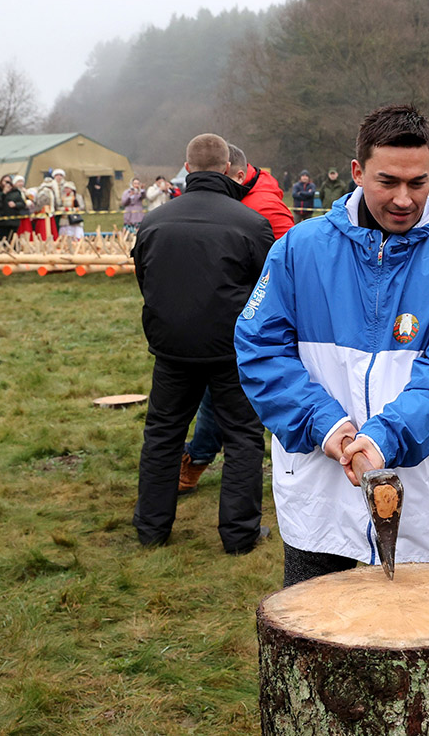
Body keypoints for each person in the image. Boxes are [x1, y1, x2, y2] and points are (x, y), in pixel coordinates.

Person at [235, 104, 429, 587]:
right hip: (319, 484)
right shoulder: (297, 251)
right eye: (386, 181)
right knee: (313, 636)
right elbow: (260, 349)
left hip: (424, 491)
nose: (403, 199)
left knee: (428, 642)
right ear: (357, 172)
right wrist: (327, 426)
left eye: (417, 183)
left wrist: (380, 440)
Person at [131, 133, 273, 554]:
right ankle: (239, 534)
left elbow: (145, 279)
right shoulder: (250, 224)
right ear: (229, 168)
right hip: (232, 349)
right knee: (243, 437)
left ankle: (151, 527)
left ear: (186, 169)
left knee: (163, 433)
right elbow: (268, 288)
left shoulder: (152, 222)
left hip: (172, 347)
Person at [177, 143, 295, 495]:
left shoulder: (263, 207)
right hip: (232, 317)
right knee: (221, 395)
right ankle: (200, 458)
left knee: (229, 399)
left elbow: (289, 265)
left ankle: (198, 461)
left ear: (235, 174)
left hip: (256, 321)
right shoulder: (247, 199)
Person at [0, 175, 23, 241]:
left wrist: (15, 204)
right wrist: (4, 193)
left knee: (13, 240)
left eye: (9, 182)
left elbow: (22, 204)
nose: (7, 184)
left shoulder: (16, 192)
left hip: (13, 220)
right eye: (6, 181)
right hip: (2, 221)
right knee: (3, 239)